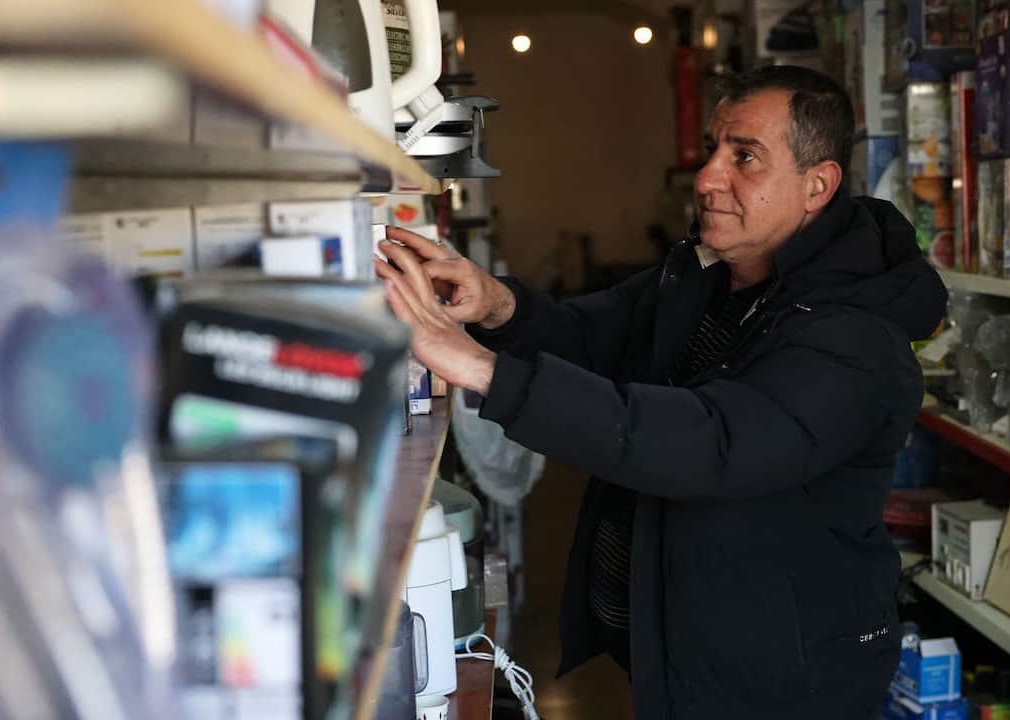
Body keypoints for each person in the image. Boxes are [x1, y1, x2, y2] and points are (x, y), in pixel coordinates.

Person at [373, 65, 947, 719]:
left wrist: (480, 368)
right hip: (677, 650)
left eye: (745, 157)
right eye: (712, 149)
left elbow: (714, 443)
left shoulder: (856, 334)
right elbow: (593, 334)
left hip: (780, 678)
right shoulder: (706, 271)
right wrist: (498, 306)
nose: (706, 178)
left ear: (817, 185)